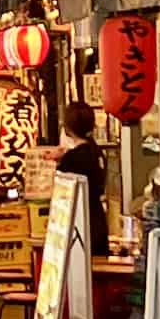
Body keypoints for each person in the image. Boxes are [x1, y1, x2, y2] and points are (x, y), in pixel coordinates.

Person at [56, 100, 110, 257]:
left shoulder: (72, 158)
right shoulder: (97, 152)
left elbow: (61, 193)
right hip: (97, 219)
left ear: (68, 128)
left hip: (78, 223)